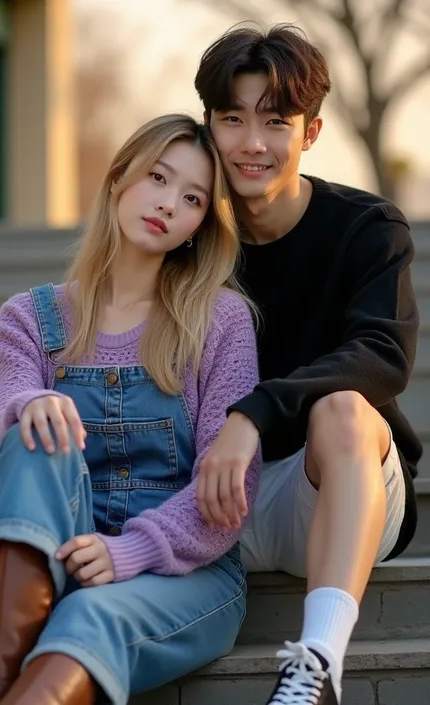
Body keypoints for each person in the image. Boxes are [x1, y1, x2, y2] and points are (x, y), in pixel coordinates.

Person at [0, 113, 261, 705]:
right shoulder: (30, 317)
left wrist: (129, 551)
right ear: (118, 177)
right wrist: (31, 403)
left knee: (91, 617)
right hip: (61, 549)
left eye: (192, 197)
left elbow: (231, 490)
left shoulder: (220, 322)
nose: (168, 203)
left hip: (182, 573)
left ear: (200, 225)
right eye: (157, 176)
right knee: (31, 423)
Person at [193, 22, 422, 705]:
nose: (251, 143)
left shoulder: (366, 227)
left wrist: (253, 414)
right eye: (231, 119)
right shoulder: (188, 231)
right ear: (208, 126)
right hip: (211, 498)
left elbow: (382, 353)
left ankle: (316, 664)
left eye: (275, 120)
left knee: (346, 407)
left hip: (329, 487)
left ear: (312, 131)